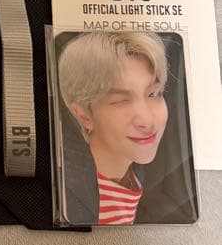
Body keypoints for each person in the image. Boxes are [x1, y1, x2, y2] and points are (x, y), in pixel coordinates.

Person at [57, 30, 169, 225]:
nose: (147, 120)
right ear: (83, 116)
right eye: (121, 101)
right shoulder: (74, 197)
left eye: (154, 94)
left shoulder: (137, 171)